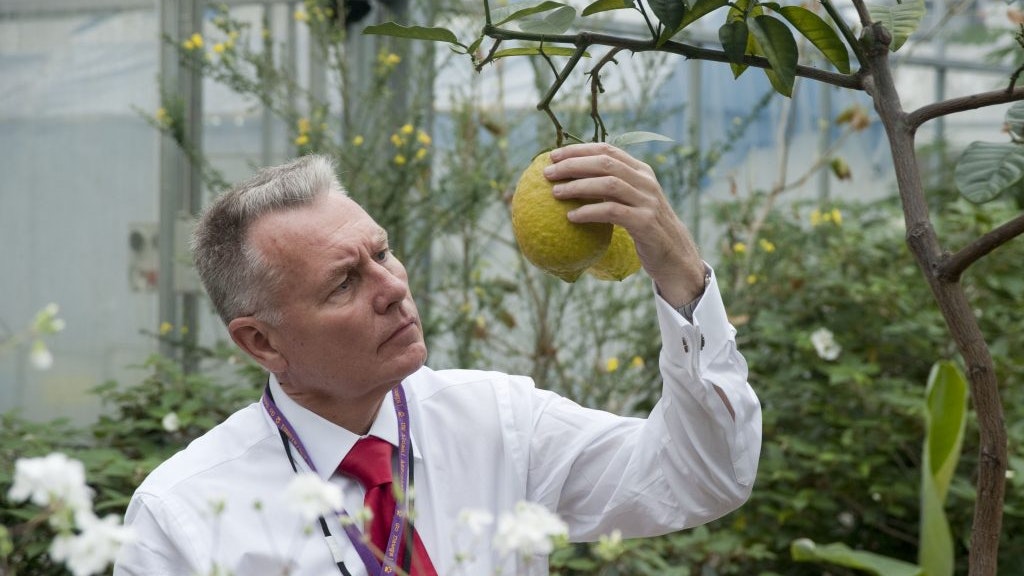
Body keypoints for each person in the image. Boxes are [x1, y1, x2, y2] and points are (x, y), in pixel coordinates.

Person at [114, 143, 761, 576]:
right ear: (261, 342)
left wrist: (679, 273)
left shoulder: (498, 424)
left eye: (383, 253)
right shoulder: (184, 518)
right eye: (345, 283)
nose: (393, 286)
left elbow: (700, 476)